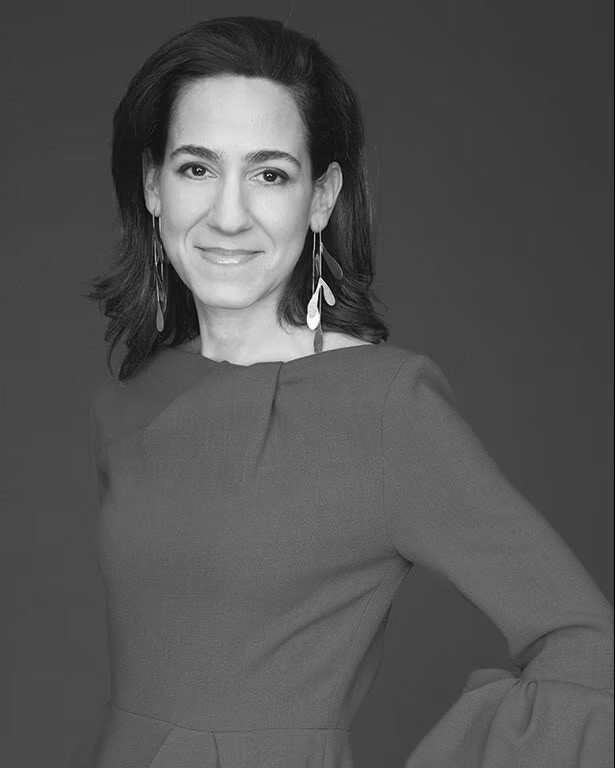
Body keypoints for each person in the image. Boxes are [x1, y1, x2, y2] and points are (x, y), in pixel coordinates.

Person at [80, 15, 613, 768]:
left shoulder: (383, 407)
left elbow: (587, 648)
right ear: (152, 185)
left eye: (270, 174)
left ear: (321, 198)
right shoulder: (131, 398)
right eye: (197, 168)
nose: (228, 214)